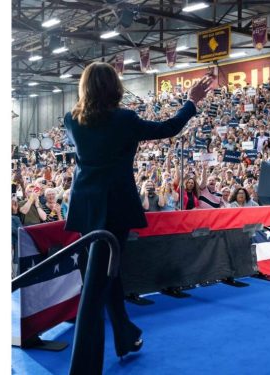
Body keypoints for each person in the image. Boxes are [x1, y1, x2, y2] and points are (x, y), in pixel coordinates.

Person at [63, 62, 213, 374]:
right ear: (114, 87)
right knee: (97, 284)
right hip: (115, 207)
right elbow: (168, 128)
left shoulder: (71, 120)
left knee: (108, 273)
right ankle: (84, 366)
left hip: (85, 207)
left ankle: (125, 337)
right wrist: (192, 102)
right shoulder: (125, 119)